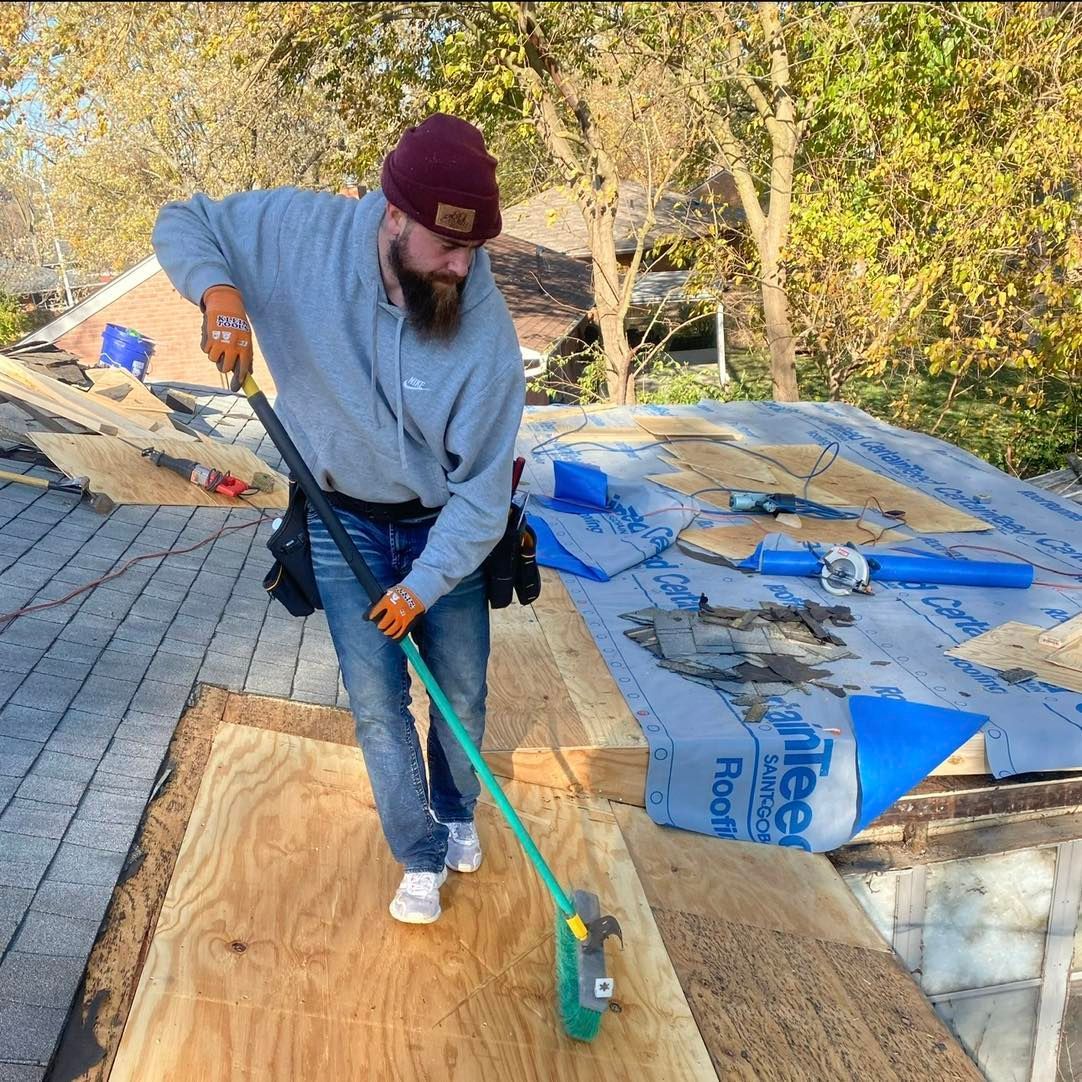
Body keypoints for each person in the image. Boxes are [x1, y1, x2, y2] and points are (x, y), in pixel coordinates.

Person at [152, 114, 526, 925]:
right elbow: (187, 219)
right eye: (445, 247)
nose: (462, 268)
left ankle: (457, 813)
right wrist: (220, 294)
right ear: (394, 215)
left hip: (444, 525)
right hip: (341, 515)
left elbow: (484, 497)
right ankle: (419, 855)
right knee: (376, 701)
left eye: (473, 250)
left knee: (459, 694)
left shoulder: (485, 338)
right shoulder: (305, 238)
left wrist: (425, 585)